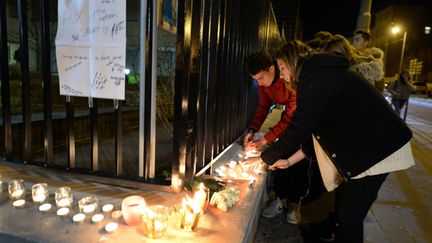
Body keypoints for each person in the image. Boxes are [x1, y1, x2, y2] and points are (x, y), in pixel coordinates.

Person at [260, 41, 414, 242]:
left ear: (292, 61)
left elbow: (300, 126)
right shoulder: (319, 75)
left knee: (350, 216)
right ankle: (330, 231)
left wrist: (267, 156)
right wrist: (288, 161)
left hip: (378, 149)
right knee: (345, 209)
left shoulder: (316, 77)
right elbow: (315, 135)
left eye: (282, 68)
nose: (281, 75)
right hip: (371, 146)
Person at [244, 51, 308, 223]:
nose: (259, 83)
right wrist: (252, 130)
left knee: (300, 163)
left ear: (272, 69)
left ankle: (294, 204)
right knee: (281, 159)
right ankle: (280, 198)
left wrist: (265, 139)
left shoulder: (290, 79)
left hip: (302, 121)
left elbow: (290, 117)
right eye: (255, 80)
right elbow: (263, 107)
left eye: (261, 78)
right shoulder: (264, 85)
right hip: (288, 120)